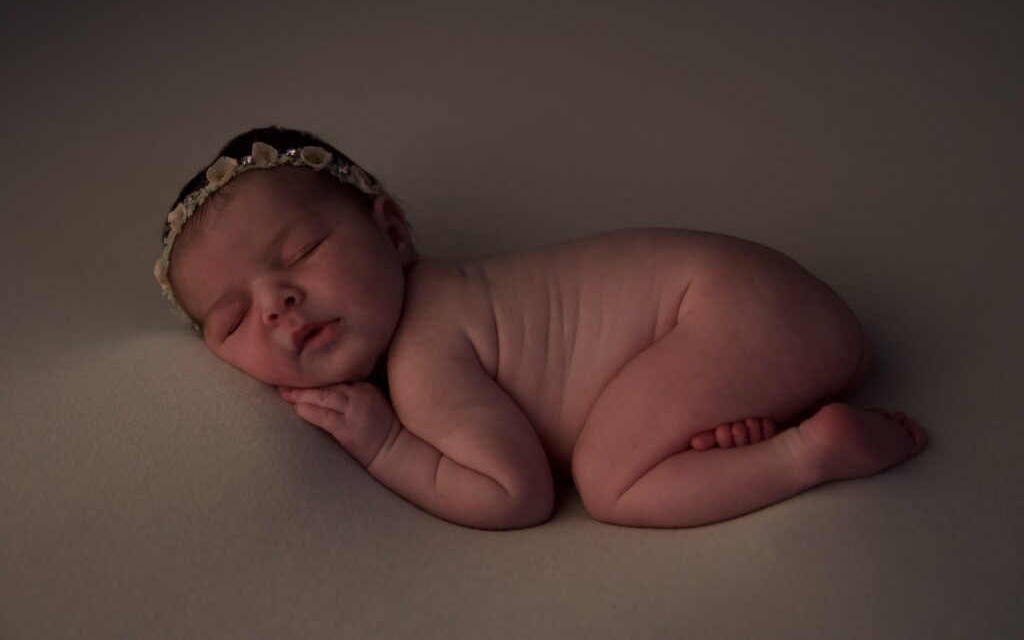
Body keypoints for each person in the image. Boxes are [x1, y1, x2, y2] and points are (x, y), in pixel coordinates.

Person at [155, 125, 928, 530]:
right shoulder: (466, 292)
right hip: (763, 309)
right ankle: (757, 427)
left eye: (303, 252)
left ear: (393, 231)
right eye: (233, 320)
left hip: (726, 310)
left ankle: (807, 451)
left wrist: (385, 442)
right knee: (637, 431)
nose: (278, 304)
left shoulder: (427, 352)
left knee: (611, 481)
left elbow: (514, 493)